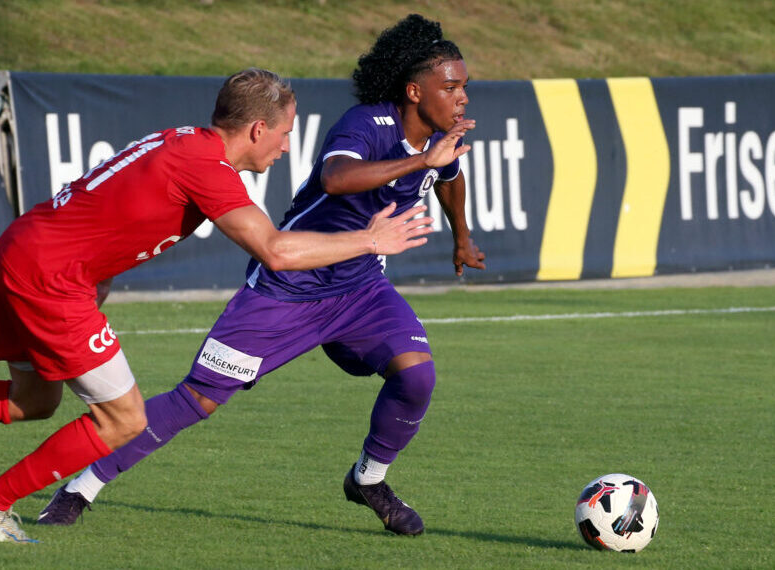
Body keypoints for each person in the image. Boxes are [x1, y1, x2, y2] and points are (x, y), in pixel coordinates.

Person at [0, 68, 437, 544]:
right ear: (257, 130)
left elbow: (112, 212)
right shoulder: (208, 168)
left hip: (26, 250)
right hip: (50, 276)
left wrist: (98, 282)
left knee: (31, 401)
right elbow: (274, 251)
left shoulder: (182, 141)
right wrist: (369, 240)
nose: (285, 146)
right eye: (285, 134)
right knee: (124, 419)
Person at [41, 14, 485, 536]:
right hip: (288, 286)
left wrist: (461, 235)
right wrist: (416, 165)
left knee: (417, 375)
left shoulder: (440, 139)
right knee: (198, 399)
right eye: (450, 86)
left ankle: (369, 480)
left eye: (464, 87)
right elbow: (336, 178)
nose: (462, 98)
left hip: (361, 286)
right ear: (415, 91)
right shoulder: (368, 123)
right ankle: (81, 487)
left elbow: (448, 176)